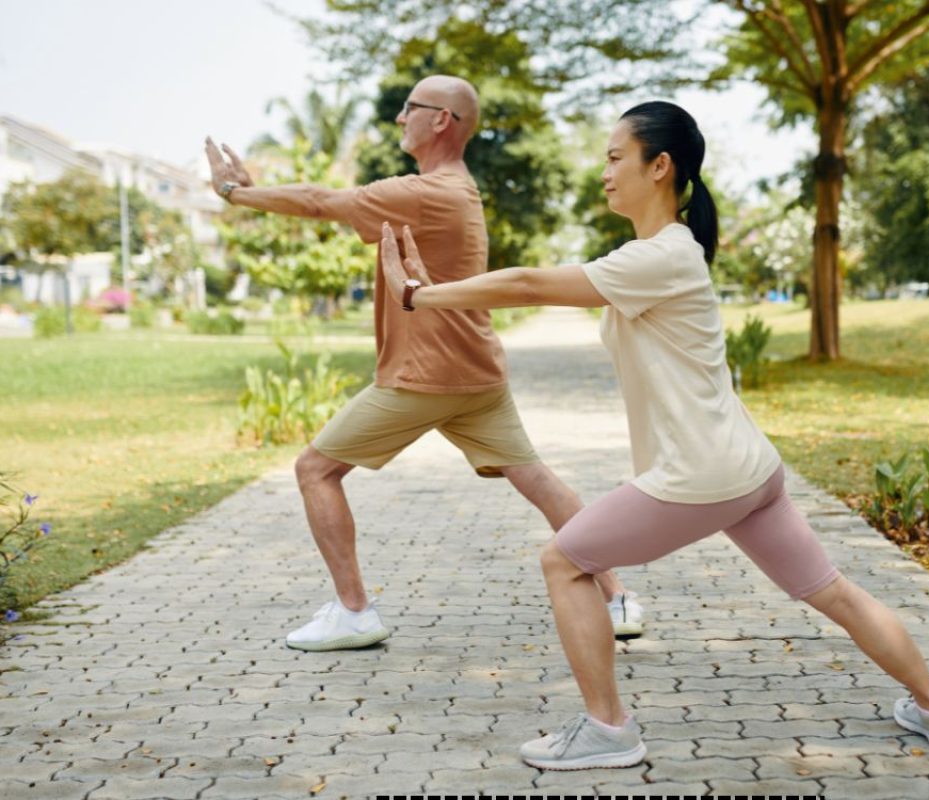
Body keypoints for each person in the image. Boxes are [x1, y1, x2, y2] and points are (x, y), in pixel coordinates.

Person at [380, 100, 929, 769]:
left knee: (564, 562)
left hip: (704, 475)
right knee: (831, 589)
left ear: (659, 167)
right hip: (748, 468)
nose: (603, 172)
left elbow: (527, 283)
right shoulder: (663, 252)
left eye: (614, 157)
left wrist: (417, 296)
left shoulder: (660, 256)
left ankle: (608, 731)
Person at [203, 75, 646, 651]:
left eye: (409, 108)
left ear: (441, 120)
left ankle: (354, 611)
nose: (398, 118)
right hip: (477, 374)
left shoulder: (427, 190)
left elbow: (320, 201)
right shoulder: (457, 189)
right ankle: (616, 599)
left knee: (315, 470)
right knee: (536, 478)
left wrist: (236, 194)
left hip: (425, 376)